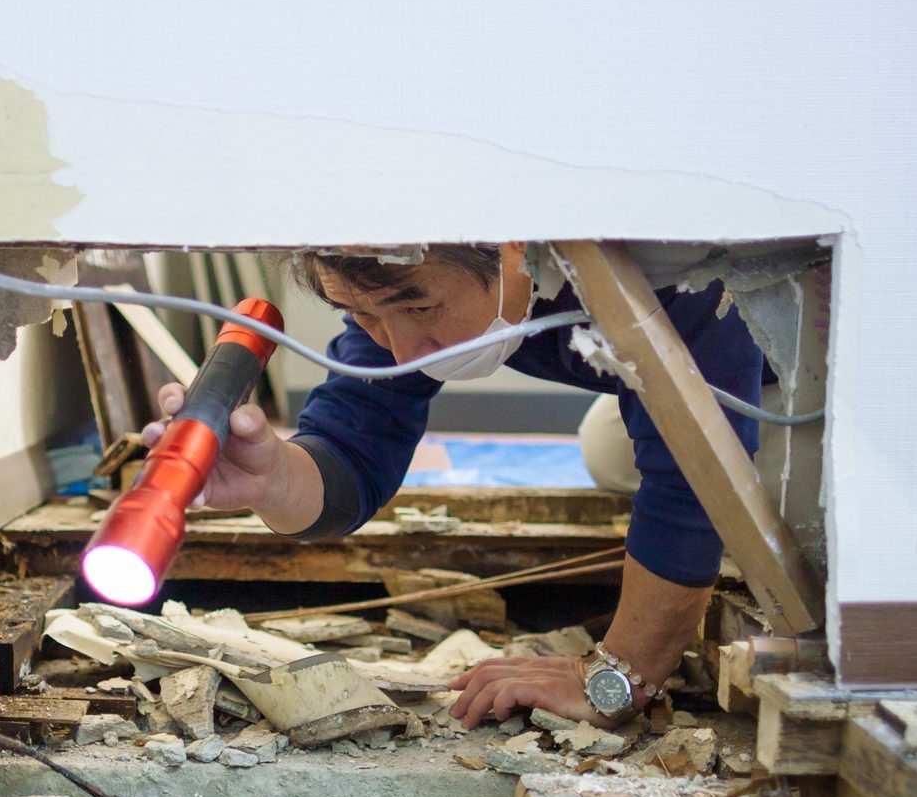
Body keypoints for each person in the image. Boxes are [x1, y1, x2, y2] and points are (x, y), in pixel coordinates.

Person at [143, 242, 767, 730]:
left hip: (801, 372)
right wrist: (272, 477)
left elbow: (696, 484)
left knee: (771, 505)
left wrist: (616, 676)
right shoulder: (396, 284)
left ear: (515, 247)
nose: (402, 348)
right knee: (609, 452)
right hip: (666, 372)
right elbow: (352, 454)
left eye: (420, 309)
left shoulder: (673, 274)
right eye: (362, 315)